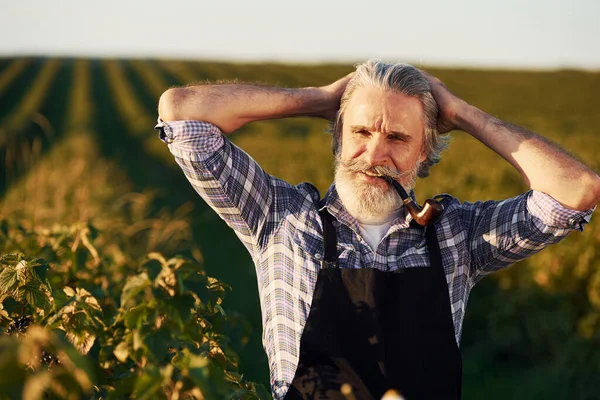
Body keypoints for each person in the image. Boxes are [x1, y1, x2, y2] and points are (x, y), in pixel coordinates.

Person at [156, 60, 600, 400]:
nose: (374, 154)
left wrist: (463, 114)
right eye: (361, 131)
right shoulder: (280, 216)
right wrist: (318, 98)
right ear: (338, 135)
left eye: (398, 139)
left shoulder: (458, 236)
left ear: (426, 152)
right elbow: (181, 115)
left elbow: (575, 190)